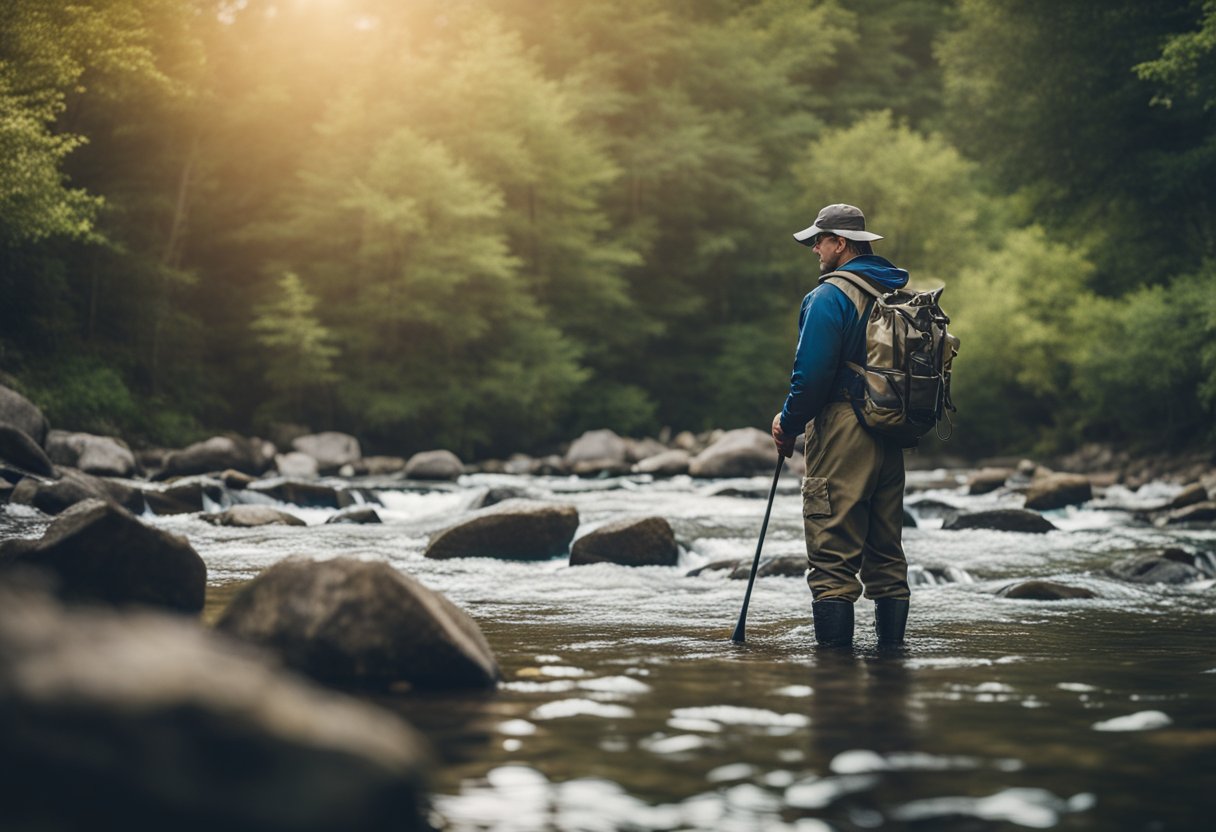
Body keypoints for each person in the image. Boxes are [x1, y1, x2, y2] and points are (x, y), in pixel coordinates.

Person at [771, 203, 911, 649]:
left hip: (844, 429)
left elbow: (810, 377)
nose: (814, 248)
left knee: (832, 558)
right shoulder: (894, 292)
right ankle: (893, 665)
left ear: (841, 243)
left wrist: (787, 424)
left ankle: (834, 678)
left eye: (820, 240)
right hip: (890, 429)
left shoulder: (828, 297)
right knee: (886, 557)